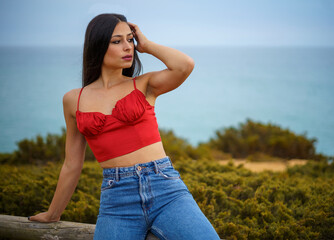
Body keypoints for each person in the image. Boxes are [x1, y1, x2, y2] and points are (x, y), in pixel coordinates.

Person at [28, 13, 221, 240]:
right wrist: (53, 213)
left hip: (166, 189)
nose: (127, 47)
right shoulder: (74, 100)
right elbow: (72, 164)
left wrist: (147, 45)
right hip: (117, 201)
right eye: (117, 41)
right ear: (98, 45)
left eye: (130, 40)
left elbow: (184, 65)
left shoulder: (144, 84)